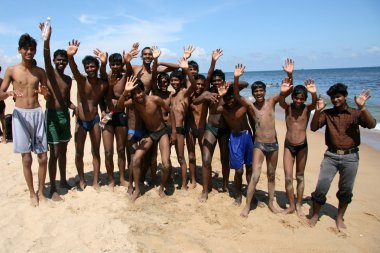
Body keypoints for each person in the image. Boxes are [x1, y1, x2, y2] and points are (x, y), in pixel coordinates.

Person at [308, 84, 376, 231]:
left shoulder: (355, 113)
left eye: (338, 96)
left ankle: (339, 217)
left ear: (345, 97)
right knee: (321, 186)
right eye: (333, 97)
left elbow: (372, 124)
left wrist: (362, 108)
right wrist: (318, 110)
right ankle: (315, 214)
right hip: (331, 156)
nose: (335, 99)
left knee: (345, 190)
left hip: (350, 157)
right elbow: (313, 128)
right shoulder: (327, 114)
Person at [0, 33, 49, 207]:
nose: (29, 51)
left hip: (36, 112)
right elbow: (0, 94)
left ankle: (42, 192)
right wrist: (9, 93)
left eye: (32, 49)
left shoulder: (40, 72)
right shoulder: (12, 70)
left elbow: (47, 93)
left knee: (43, 157)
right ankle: (31, 194)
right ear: (20, 50)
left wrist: (45, 93)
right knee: (26, 158)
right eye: (26, 48)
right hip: (20, 114)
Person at [233, 64, 283, 217]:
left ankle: (271, 203)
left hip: (274, 145)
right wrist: (236, 78)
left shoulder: (272, 102)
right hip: (259, 145)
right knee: (255, 175)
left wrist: (290, 75)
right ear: (253, 93)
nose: (259, 93)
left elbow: (286, 92)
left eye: (261, 90)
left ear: (265, 91)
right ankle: (248, 205)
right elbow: (236, 96)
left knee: (272, 175)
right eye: (256, 91)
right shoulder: (251, 106)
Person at [116, 75, 172, 202]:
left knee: (166, 165)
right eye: (134, 94)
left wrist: (172, 132)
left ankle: (161, 188)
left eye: (139, 92)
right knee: (135, 159)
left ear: (144, 91)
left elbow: (170, 111)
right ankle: (137, 190)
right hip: (150, 134)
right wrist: (125, 92)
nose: (138, 96)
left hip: (162, 132)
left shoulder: (155, 99)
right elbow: (119, 107)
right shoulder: (134, 103)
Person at [40, 22, 76, 201]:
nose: (61, 62)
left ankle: (62, 180)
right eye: (58, 60)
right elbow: (45, 57)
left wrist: (74, 107)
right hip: (52, 116)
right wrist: (47, 39)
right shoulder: (50, 74)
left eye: (63, 60)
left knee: (63, 151)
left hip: (64, 116)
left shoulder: (69, 79)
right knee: (53, 153)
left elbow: (66, 100)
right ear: (54, 61)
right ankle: (53, 187)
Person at [66, 39, 108, 190]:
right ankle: (82, 179)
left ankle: (96, 180)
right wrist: (70, 57)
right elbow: (75, 69)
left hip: (96, 121)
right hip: (81, 122)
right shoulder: (81, 81)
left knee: (96, 151)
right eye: (87, 67)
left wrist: (104, 63)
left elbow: (103, 100)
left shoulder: (103, 84)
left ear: (96, 67)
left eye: (92, 66)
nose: (90, 69)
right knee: (79, 153)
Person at [278, 59, 317, 215]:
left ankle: (299, 204)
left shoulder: (307, 109)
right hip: (289, 146)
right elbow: (281, 98)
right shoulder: (287, 108)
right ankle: (292, 206)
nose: (299, 101)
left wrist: (313, 93)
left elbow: (314, 103)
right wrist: (290, 75)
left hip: (302, 146)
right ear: (293, 97)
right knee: (288, 178)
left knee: (300, 176)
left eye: (302, 98)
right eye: (296, 98)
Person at [211, 82, 253, 205]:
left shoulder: (242, 104)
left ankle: (251, 195)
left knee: (249, 168)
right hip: (234, 138)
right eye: (227, 97)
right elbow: (213, 110)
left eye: (231, 96)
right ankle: (238, 195)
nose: (229, 99)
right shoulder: (223, 109)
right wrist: (220, 96)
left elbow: (245, 84)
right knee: (239, 170)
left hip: (247, 136)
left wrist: (233, 82)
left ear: (236, 96)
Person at [101, 52, 128, 187]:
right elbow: (104, 97)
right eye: (113, 64)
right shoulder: (106, 77)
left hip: (120, 115)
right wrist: (103, 63)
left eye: (118, 64)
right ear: (110, 65)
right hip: (107, 115)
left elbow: (129, 70)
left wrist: (127, 60)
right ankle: (111, 179)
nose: (116, 66)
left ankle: (122, 178)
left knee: (121, 149)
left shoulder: (125, 78)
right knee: (107, 151)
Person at [170, 66, 197, 189]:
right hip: (170, 130)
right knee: (167, 156)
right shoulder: (171, 95)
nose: (174, 82)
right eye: (172, 80)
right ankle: (170, 177)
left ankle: (184, 184)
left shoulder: (185, 93)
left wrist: (186, 70)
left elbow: (193, 84)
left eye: (176, 80)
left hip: (180, 129)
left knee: (181, 157)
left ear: (181, 80)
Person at [0, 65, 6, 143]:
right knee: (2, 120)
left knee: (3, 120)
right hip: (1, 103)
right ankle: (3, 136)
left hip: (0, 103)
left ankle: (4, 137)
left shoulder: (1, 81)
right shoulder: (2, 81)